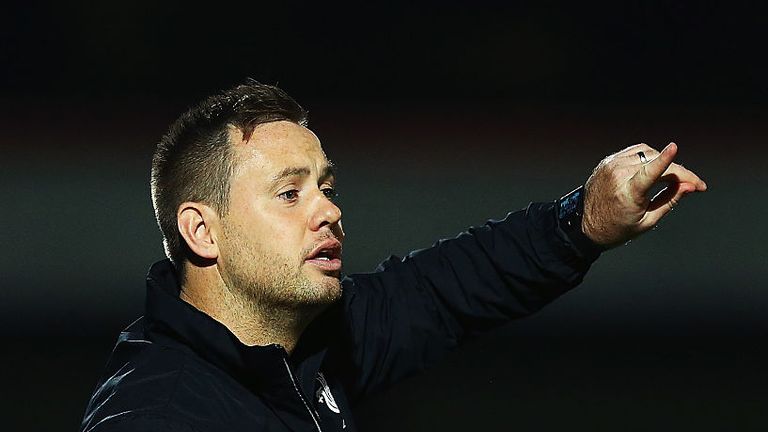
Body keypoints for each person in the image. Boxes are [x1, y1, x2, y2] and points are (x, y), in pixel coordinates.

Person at [80, 80, 706, 432]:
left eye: (326, 187)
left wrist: (587, 218)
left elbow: (445, 290)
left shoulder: (309, 345)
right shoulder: (158, 414)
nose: (327, 210)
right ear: (202, 232)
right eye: (289, 192)